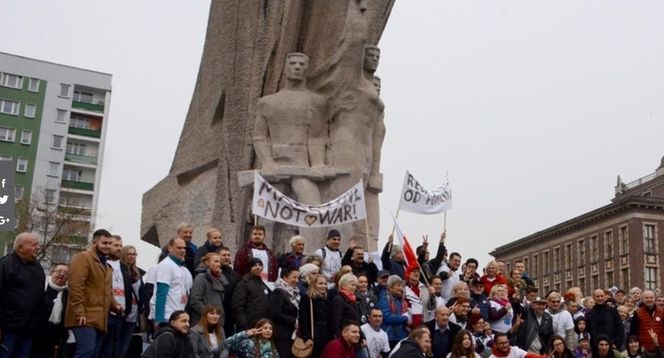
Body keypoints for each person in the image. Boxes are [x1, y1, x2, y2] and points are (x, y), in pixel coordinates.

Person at [65, 229, 122, 358]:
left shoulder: (106, 266)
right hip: (85, 316)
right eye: (104, 243)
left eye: (109, 243)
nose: (107, 246)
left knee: (93, 354)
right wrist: (79, 311)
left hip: (100, 318)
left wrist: (115, 305)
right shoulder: (83, 257)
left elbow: (106, 292)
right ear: (94, 242)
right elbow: (76, 285)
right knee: (86, 351)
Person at [0, 232, 45, 358]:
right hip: (8, 328)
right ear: (20, 247)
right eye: (34, 245)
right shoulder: (5, 265)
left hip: (29, 329)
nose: (37, 247)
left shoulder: (38, 267)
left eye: (38, 244)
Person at [99, 235, 134, 358]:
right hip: (105, 314)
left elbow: (127, 290)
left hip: (121, 315)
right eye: (115, 245)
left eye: (120, 245)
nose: (119, 248)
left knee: (114, 351)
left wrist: (127, 309)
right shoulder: (102, 264)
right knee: (101, 350)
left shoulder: (123, 267)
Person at [150, 237, 194, 327]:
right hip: (167, 315)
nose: (182, 250)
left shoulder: (183, 269)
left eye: (184, 248)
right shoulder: (166, 265)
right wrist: (159, 319)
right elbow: (161, 292)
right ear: (170, 248)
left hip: (179, 314)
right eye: (179, 248)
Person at [30, 262, 70, 358]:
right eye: (59, 271)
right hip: (34, 333)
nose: (62, 274)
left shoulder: (68, 293)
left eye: (65, 273)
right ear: (52, 273)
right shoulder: (41, 286)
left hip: (54, 338)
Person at [269, 266, 300, 358]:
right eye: (294, 277)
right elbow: (274, 313)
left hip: (292, 333)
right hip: (282, 334)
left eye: (298, 278)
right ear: (285, 277)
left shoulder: (295, 293)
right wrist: (294, 321)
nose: (297, 280)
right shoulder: (278, 292)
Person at [232, 258, 271, 331]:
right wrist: (244, 325)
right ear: (249, 268)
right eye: (255, 265)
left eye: (260, 265)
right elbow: (237, 306)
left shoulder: (263, 284)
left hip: (262, 325)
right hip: (249, 326)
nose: (258, 267)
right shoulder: (243, 283)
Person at [189, 252, 226, 325]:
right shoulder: (201, 278)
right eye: (216, 261)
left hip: (215, 323)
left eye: (219, 262)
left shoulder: (217, 278)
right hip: (203, 322)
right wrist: (208, 314)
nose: (219, 264)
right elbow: (195, 300)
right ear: (207, 262)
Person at [298, 274, 330, 357]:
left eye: (325, 283)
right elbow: (303, 319)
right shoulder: (307, 298)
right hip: (313, 335)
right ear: (314, 284)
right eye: (320, 283)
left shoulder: (326, 299)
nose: (323, 286)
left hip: (325, 335)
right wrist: (306, 337)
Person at [378, 275, 410, 348]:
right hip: (390, 336)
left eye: (401, 286)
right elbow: (387, 317)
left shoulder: (401, 300)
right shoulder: (384, 298)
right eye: (398, 285)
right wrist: (405, 318)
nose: (400, 288)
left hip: (402, 335)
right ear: (391, 288)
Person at [629, 289, 664, 356]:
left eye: (651, 297)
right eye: (646, 298)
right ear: (643, 299)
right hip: (644, 349)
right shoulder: (637, 313)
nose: (649, 299)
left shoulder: (662, 312)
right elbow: (633, 332)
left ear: (655, 299)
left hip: (661, 348)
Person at [330, 273, 362, 337]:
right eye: (352, 285)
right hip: (344, 337)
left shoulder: (354, 300)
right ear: (343, 285)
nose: (354, 288)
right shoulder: (338, 299)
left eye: (355, 286)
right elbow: (335, 322)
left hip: (353, 336)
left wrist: (362, 336)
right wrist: (339, 337)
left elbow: (357, 321)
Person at [218, 246, 241, 336]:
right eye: (223, 255)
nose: (226, 257)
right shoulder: (213, 273)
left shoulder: (235, 275)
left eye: (228, 255)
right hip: (217, 312)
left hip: (230, 315)